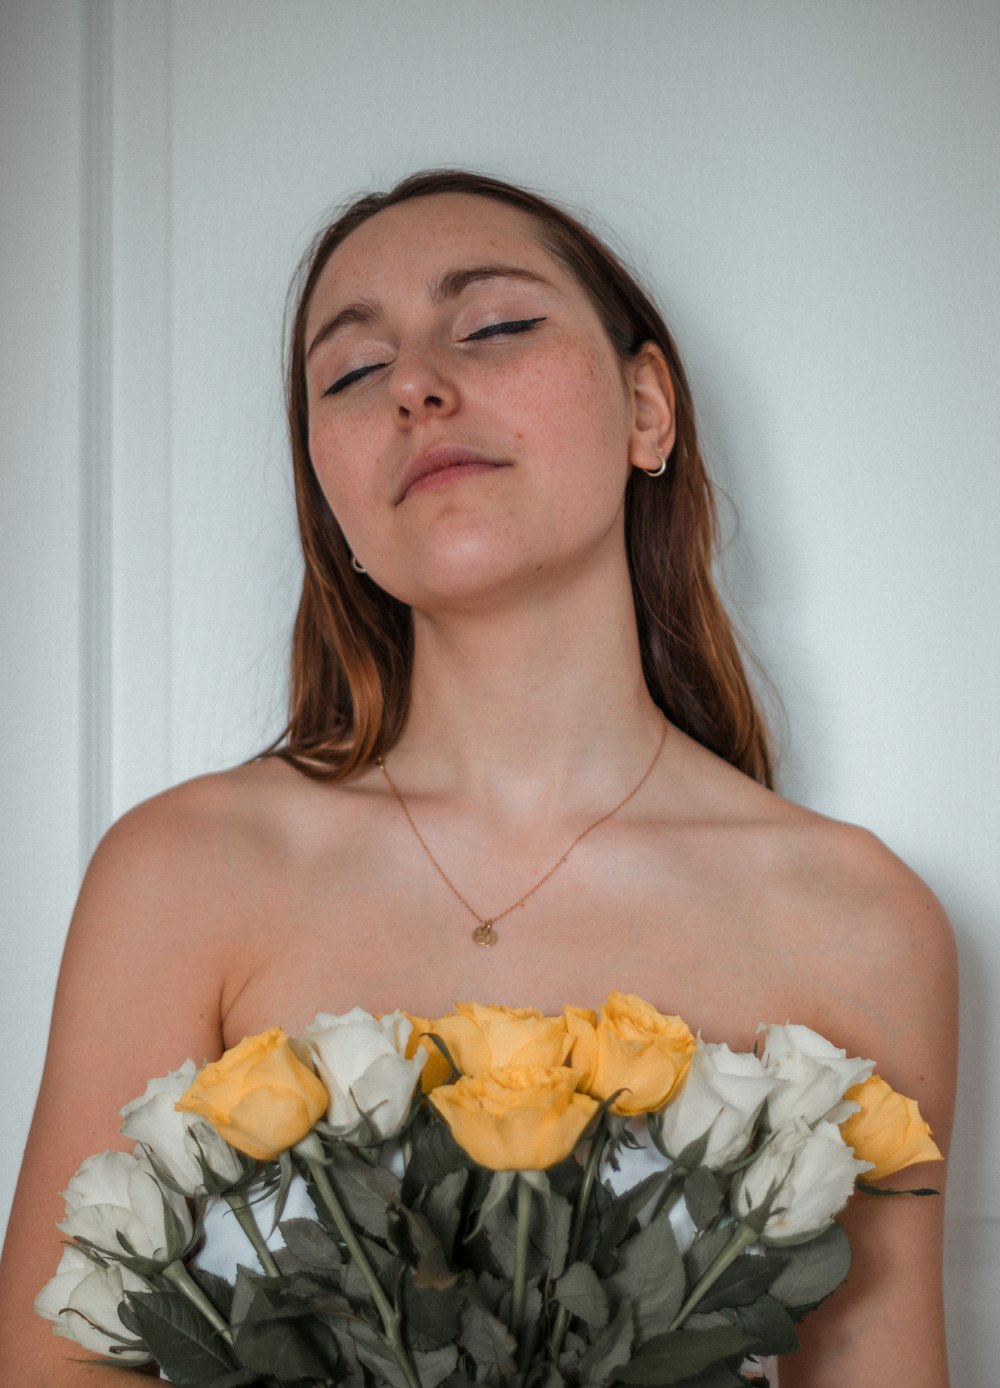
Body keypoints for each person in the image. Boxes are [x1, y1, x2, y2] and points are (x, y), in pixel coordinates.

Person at [0, 170, 957, 1386]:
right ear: (329, 494)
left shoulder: (861, 920)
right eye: (352, 374)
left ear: (647, 407)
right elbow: (60, 1359)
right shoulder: (184, 874)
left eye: (494, 326)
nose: (415, 384)